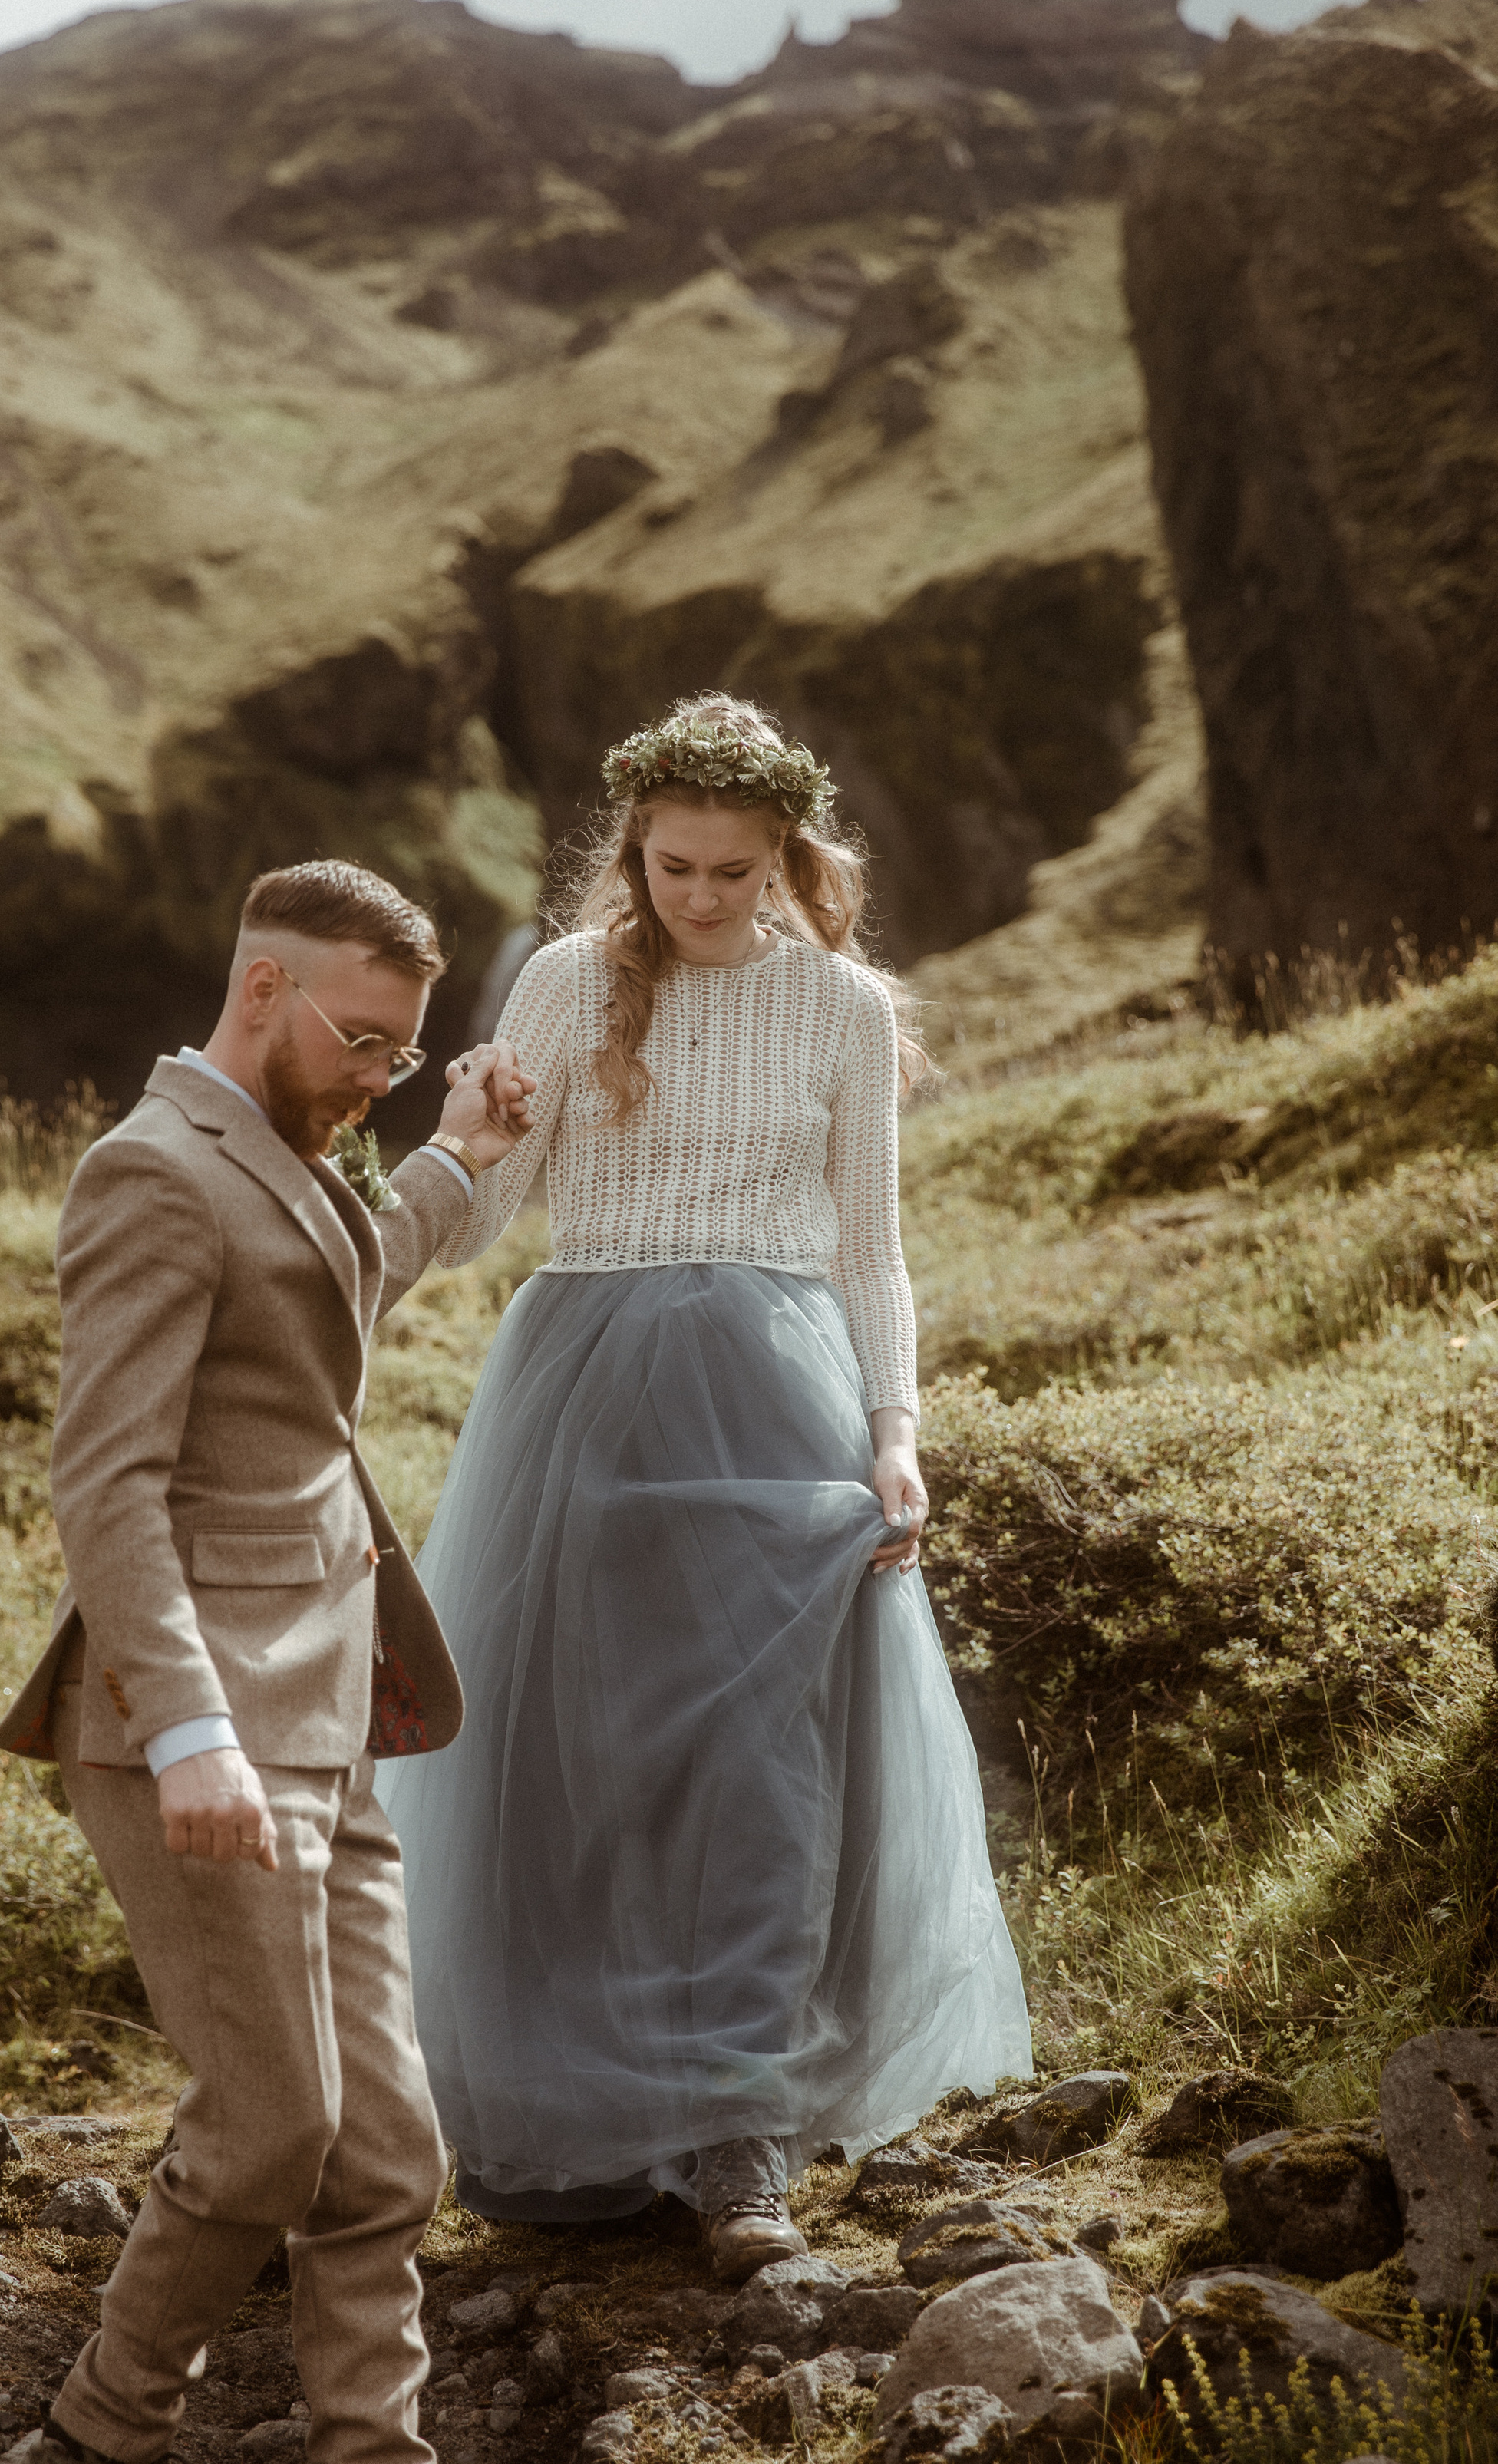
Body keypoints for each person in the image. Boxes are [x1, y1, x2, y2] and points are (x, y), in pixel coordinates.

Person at [0, 859, 622, 2464]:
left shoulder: (283, 1157)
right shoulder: (147, 1172)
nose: (372, 1074)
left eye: (399, 1050)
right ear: (258, 988)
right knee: (269, 2130)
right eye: (359, 1042)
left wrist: (455, 1153)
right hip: (191, 1736)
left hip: (329, 1712)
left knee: (382, 2151)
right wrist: (182, 1726)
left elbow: (335, 1282)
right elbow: (104, 1485)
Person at [378, 694, 1031, 2283]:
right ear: (631, 853)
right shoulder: (559, 981)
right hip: (583, 1398)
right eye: (670, 867)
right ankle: (576, 2118)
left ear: (786, 861)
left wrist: (893, 1428)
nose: (696, 898)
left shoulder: (843, 1010)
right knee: (581, 1757)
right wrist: (461, 1141)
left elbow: (870, 1244)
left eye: (731, 872)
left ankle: (740, 2144)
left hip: (776, 1396)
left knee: (763, 1766)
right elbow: (478, 1227)